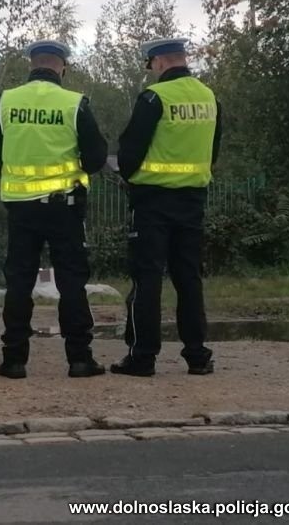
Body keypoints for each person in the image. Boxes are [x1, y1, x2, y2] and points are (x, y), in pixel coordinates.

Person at [0, 39, 108, 379]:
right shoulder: (74, 104)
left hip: (21, 208)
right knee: (71, 281)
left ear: (32, 64)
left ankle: (13, 360)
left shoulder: (5, 102)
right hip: (64, 207)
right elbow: (97, 157)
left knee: (19, 281)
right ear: (62, 66)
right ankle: (80, 359)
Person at [112, 37, 222, 377]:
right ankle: (197, 355)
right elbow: (213, 151)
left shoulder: (154, 97)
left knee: (147, 279)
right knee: (189, 278)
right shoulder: (209, 97)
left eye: (152, 65)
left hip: (152, 202)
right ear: (182, 59)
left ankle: (143, 356)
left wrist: (127, 177)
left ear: (158, 62)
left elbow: (130, 148)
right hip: (192, 201)